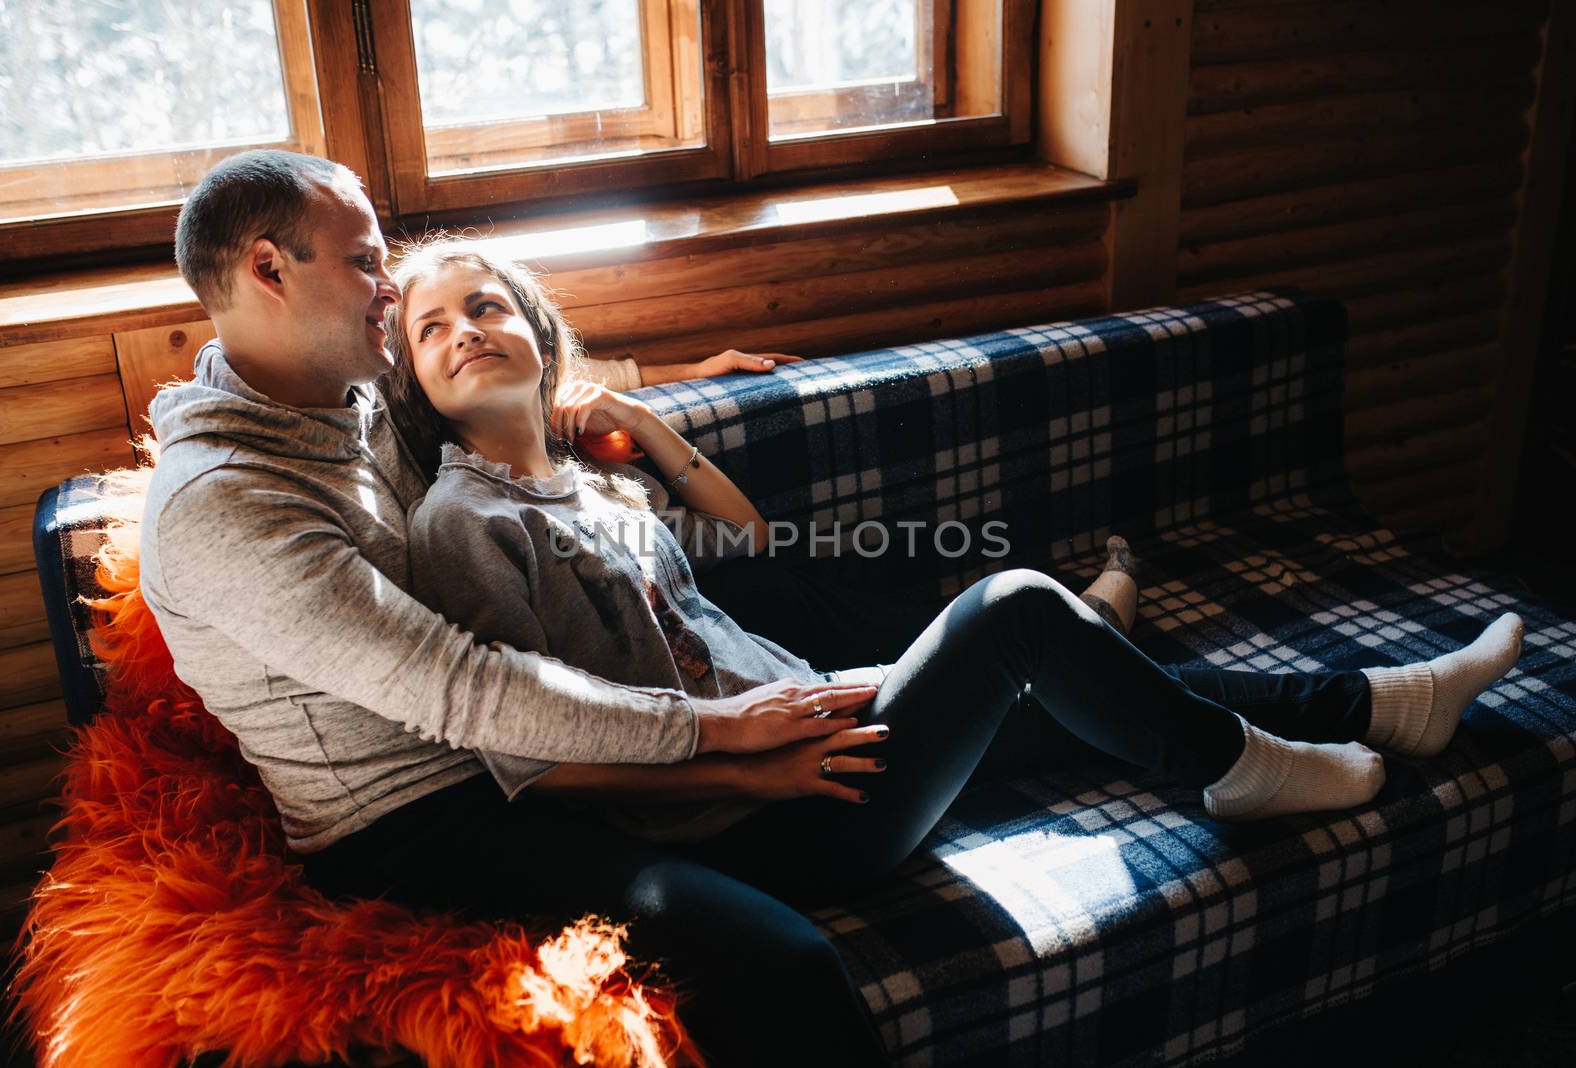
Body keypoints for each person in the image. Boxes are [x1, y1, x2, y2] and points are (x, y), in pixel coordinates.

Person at [340, 237, 1527, 1063]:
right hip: (774, 814)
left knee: (1076, 686)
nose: (464, 333)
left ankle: (1378, 703)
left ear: (538, 334)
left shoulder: (589, 491)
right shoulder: (462, 525)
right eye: (430, 327)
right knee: (1013, 607)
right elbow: (528, 754)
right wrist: (754, 768)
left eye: (486, 306)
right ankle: (1243, 766)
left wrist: (647, 424)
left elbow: (750, 547)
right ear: (415, 384)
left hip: (819, 725)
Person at [137, 149, 905, 1064]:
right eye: (364, 261)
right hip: (417, 824)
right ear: (270, 268)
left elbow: (504, 363)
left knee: (741, 579)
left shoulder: (336, 394)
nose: (386, 288)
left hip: (514, 759)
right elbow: (460, 688)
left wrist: (667, 378)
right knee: (784, 963)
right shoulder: (225, 502)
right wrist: (717, 731)